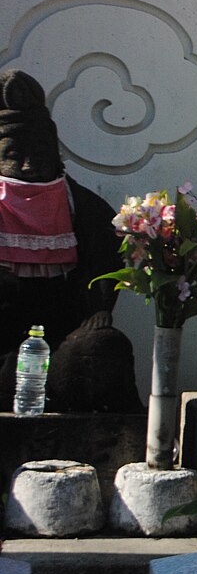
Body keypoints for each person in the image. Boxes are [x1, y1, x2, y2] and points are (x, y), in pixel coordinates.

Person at [0, 69, 141, 412]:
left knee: (106, 347)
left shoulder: (83, 209)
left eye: (40, 152)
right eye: (14, 153)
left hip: (63, 347)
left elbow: (108, 257)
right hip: (3, 354)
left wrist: (98, 312)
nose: (29, 164)